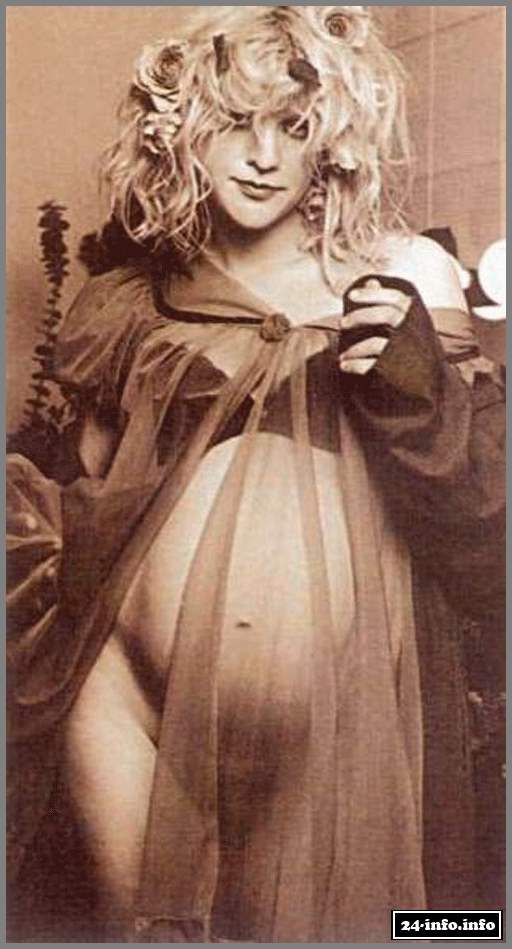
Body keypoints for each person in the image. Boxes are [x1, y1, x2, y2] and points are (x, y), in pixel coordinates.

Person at [7, 5, 505, 943]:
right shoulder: (136, 296)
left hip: (329, 723)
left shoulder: (403, 272)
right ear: (184, 130)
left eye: (295, 125)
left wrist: (417, 391)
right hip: (119, 693)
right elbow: (97, 495)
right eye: (236, 121)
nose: (264, 156)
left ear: (335, 141)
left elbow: (487, 539)